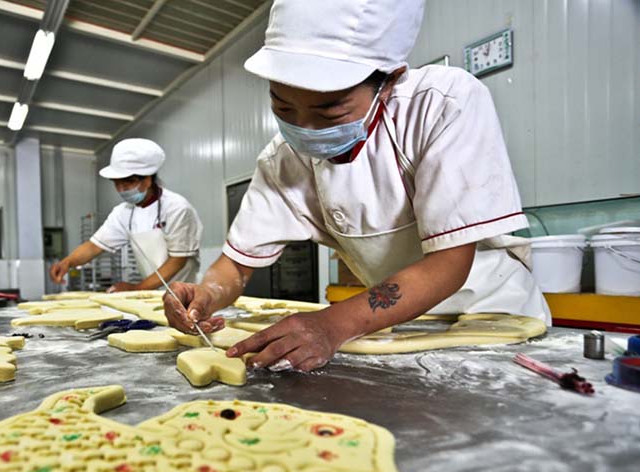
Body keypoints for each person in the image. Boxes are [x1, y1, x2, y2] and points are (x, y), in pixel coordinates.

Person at [164, 0, 550, 371]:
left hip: (493, 317)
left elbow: (449, 264)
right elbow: (236, 263)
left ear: (389, 82)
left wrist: (332, 325)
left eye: (329, 109)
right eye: (282, 107)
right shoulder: (283, 160)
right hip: (387, 325)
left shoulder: (442, 105)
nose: (304, 126)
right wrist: (208, 293)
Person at [50, 138, 203, 292]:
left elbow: (177, 261)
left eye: (129, 181)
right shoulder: (123, 212)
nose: (121, 189)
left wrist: (137, 288)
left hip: (184, 293)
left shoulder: (177, 208)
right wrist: (67, 263)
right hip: (150, 294)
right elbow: (94, 246)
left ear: (148, 179)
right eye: (116, 182)